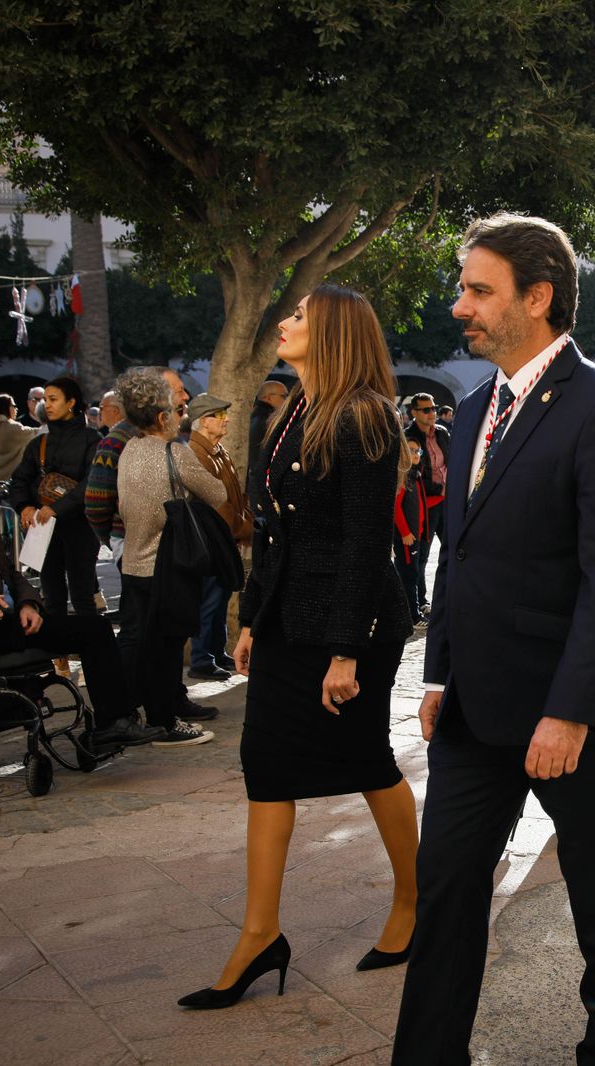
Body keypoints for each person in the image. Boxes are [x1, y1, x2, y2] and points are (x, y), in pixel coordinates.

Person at [393, 213, 595, 1065]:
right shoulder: (476, 405)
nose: (460, 307)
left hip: (574, 714)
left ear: (538, 296)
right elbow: (459, 555)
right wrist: (437, 675)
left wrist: (570, 712)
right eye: (463, 289)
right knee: (445, 887)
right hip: (475, 709)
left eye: (479, 291)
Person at [182, 284, 420, 1010]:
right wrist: (253, 618)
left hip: (352, 625)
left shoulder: (366, 415)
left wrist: (345, 651)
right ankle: (260, 934)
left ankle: (416, 902)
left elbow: (366, 542)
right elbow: (276, 533)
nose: (283, 322)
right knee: (265, 766)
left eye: (298, 316)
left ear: (335, 330)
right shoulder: (295, 408)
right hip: (289, 618)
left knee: (366, 758)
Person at [0, 450, 162, 748]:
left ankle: (115, 721)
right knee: (92, 631)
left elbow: (9, 573)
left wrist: (29, 603)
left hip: (1, 621)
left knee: (95, 627)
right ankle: (114, 723)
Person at [112, 370, 222, 749]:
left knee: (142, 643)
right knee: (166, 647)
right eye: (177, 411)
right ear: (162, 417)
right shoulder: (174, 453)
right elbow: (217, 493)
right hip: (167, 566)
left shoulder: (128, 449)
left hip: (133, 563)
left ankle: (138, 712)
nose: (181, 416)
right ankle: (164, 721)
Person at [7, 377, 103, 617]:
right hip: (43, 527)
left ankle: (89, 641)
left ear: (71, 402)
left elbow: (92, 482)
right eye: (45, 400)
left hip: (81, 526)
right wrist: (24, 506)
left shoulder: (92, 439)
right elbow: (19, 480)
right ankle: (56, 641)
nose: (47, 405)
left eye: (53, 399)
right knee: (51, 595)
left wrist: (56, 508)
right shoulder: (39, 442)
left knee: (83, 596)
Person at [186, 393, 253, 680]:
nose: (226, 420)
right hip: (212, 539)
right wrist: (242, 528)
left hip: (224, 538)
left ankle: (215, 650)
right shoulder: (197, 452)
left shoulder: (216, 449)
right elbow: (218, 503)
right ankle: (202, 658)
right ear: (204, 421)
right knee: (210, 600)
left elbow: (236, 494)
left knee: (220, 596)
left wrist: (245, 521)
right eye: (220, 416)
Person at [404, 392, 450, 617]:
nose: (432, 413)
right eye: (426, 410)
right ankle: (421, 601)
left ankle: (450, 596)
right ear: (414, 412)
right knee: (421, 556)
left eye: (433, 408)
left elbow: (451, 460)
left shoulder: (442, 432)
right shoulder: (408, 437)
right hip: (426, 503)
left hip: (447, 501)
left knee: (453, 549)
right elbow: (411, 473)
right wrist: (438, 489)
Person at [393, 437, 429, 623]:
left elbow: (421, 504)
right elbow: (396, 507)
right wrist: (405, 532)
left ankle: (410, 613)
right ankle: (413, 616)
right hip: (407, 537)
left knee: (411, 573)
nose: (416, 454)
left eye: (418, 451)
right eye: (411, 450)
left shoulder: (415, 474)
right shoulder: (403, 475)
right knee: (409, 576)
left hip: (416, 536)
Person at [0, 394, 38, 483]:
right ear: (5, 408)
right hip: (10, 484)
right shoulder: (14, 428)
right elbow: (37, 433)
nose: (16, 409)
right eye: (14, 406)